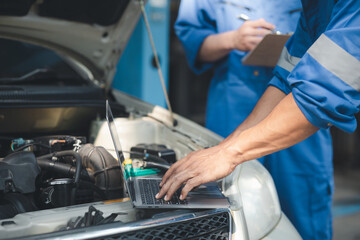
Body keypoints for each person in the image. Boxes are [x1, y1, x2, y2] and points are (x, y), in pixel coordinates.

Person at [158, 0, 360, 239]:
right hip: (237, 102)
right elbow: (286, 80)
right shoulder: (315, 8)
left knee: (304, 211)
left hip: (303, 121)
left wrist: (228, 153)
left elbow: (320, 95)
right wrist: (223, 149)